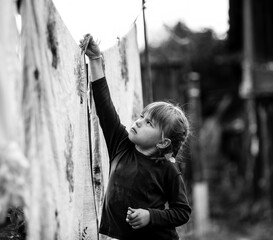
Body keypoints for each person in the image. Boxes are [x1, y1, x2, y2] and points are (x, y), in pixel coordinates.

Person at [80, 34, 191, 240]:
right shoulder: (120, 145)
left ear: (162, 142)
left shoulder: (167, 169)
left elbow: (182, 211)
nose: (139, 121)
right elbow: (105, 108)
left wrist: (151, 216)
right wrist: (95, 60)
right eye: (142, 116)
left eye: (149, 122)